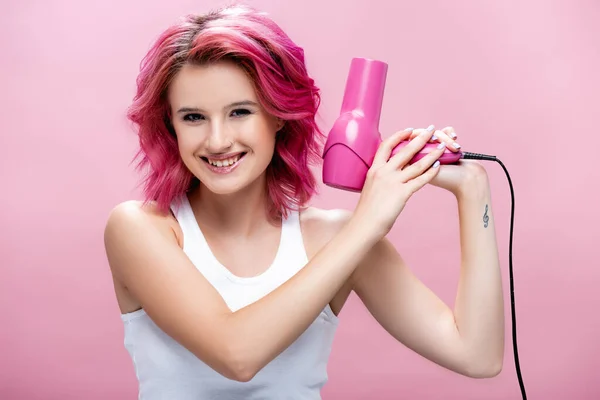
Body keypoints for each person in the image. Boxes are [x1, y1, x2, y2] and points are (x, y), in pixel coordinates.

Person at [104, 3, 505, 399]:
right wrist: (368, 222)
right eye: (193, 117)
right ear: (170, 124)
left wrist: (473, 191)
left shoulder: (336, 237)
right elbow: (237, 354)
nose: (217, 140)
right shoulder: (140, 229)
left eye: (240, 112)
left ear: (279, 115)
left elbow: (476, 355)